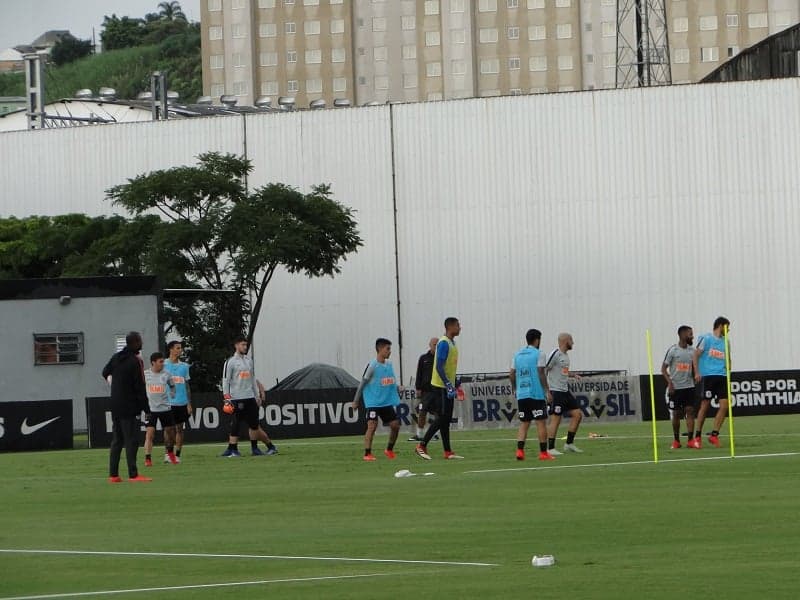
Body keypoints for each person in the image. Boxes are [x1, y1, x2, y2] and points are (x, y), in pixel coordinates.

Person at [102, 331, 151, 483]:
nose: (142, 343)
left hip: (115, 404)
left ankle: (113, 475)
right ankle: (133, 475)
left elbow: (105, 372)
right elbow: (140, 387)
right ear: (135, 342)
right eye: (140, 341)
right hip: (130, 406)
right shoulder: (136, 361)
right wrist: (147, 409)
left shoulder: (116, 357)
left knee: (117, 440)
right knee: (131, 440)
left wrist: (115, 386)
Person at [220, 336, 278, 457]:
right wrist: (227, 398)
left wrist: (257, 395)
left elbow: (252, 379)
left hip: (250, 397)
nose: (245, 347)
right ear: (236, 345)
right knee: (236, 423)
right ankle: (233, 449)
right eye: (242, 345)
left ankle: (255, 449)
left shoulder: (248, 361)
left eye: (246, 345)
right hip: (237, 397)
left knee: (254, 424)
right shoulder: (230, 362)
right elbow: (226, 380)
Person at [416, 317, 463, 460]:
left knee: (446, 419)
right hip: (440, 387)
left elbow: (449, 368)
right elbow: (439, 367)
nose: (460, 328)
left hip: (447, 386)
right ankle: (422, 445)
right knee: (442, 418)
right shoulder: (443, 343)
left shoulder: (452, 343)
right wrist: (448, 385)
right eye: (458, 325)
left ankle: (448, 452)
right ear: (450, 327)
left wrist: (456, 385)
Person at [351, 338, 401, 461]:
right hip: (373, 402)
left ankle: (389, 449)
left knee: (395, 426)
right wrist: (356, 400)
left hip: (385, 402)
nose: (390, 352)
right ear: (380, 349)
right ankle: (367, 454)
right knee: (372, 426)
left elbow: (390, 381)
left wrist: (398, 388)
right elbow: (363, 383)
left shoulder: (389, 365)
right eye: (387, 349)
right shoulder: (372, 365)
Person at [510, 329, 554, 461]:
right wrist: (547, 390)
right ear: (537, 340)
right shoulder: (539, 354)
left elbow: (511, 374)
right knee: (540, 423)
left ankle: (519, 451)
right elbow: (541, 372)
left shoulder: (517, 355)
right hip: (535, 393)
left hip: (522, 394)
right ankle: (543, 453)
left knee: (524, 423)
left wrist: (515, 388)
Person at [692, 317, 731, 448]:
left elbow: (728, 359)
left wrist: (728, 367)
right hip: (708, 377)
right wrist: (697, 372)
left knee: (725, 405)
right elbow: (696, 355)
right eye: (727, 327)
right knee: (705, 406)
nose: (729, 330)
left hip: (722, 376)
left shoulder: (726, 342)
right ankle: (697, 437)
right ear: (721, 326)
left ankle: (714, 435)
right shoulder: (706, 338)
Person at [544, 333, 583, 455]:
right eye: (571, 340)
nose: (573, 343)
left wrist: (573, 375)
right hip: (556, 391)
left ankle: (569, 444)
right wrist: (546, 391)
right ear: (566, 341)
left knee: (577, 415)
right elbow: (544, 370)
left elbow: (563, 372)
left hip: (565, 390)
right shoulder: (555, 354)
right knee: (556, 418)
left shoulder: (565, 356)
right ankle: (550, 448)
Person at [661, 326, 697, 449]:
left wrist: (696, 376)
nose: (692, 336)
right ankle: (676, 441)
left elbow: (694, 368)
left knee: (690, 411)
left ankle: (690, 440)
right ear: (682, 335)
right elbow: (663, 369)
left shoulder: (692, 351)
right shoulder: (673, 351)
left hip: (689, 387)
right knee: (676, 414)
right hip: (676, 388)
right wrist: (670, 383)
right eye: (690, 334)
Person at [143, 352, 179, 466]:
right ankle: (148, 458)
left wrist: (173, 394)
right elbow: (138, 387)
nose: (163, 364)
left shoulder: (166, 374)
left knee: (170, 432)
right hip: (151, 410)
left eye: (163, 361)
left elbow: (172, 385)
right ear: (153, 362)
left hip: (165, 408)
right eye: (160, 362)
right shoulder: (145, 374)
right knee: (150, 434)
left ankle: (170, 453)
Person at [163, 340, 191, 461]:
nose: (180, 350)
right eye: (178, 348)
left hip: (181, 402)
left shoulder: (184, 366)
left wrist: (189, 403)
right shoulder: (163, 364)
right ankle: (168, 454)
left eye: (180, 348)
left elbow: (187, 385)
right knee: (168, 429)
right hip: (168, 402)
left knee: (180, 428)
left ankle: (177, 454)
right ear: (171, 349)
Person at [409, 337, 439, 442]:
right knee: (422, 412)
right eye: (434, 344)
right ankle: (419, 435)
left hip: (438, 390)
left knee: (437, 413)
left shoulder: (441, 358)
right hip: (426, 391)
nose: (436, 346)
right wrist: (418, 388)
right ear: (430, 345)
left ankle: (435, 434)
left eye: (438, 344)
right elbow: (419, 373)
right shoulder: (423, 358)